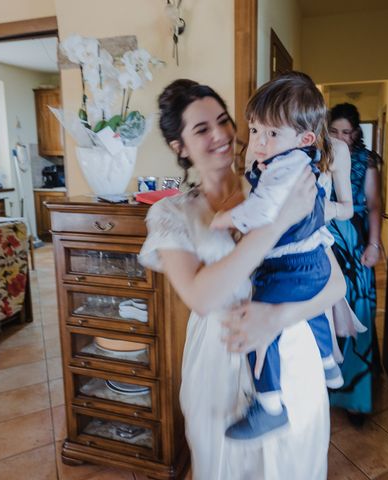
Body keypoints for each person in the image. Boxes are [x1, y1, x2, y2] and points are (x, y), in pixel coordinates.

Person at [138, 79, 346, 479]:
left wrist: (275, 319)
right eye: (201, 129)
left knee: (294, 465)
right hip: (217, 362)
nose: (219, 135)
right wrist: (275, 224)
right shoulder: (172, 215)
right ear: (179, 147)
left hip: (289, 354)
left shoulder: (281, 181)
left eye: (223, 120)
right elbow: (202, 295)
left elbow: (335, 284)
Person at [210, 71, 344, 440]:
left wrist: (225, 220)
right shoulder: (283, 166)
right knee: (309, 308)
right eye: (254, 131)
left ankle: (270, 405)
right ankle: (330, 360)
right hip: (305, 265)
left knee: (256, 334)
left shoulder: (285, 172)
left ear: (303, 137)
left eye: (271, 133)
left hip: (291, 270)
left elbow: (262, 212)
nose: (260, 142)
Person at [326, 102, 383, 425]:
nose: (340, 138)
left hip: (356, 240)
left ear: (356, 134)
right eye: (334, 131)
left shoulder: (365, 161)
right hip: (324, 240)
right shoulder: (316, 157)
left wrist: (374, 244)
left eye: (346, 132)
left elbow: (374, 205)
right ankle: (324, 387)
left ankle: (354, 398)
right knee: (326, 315)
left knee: (357, 314)